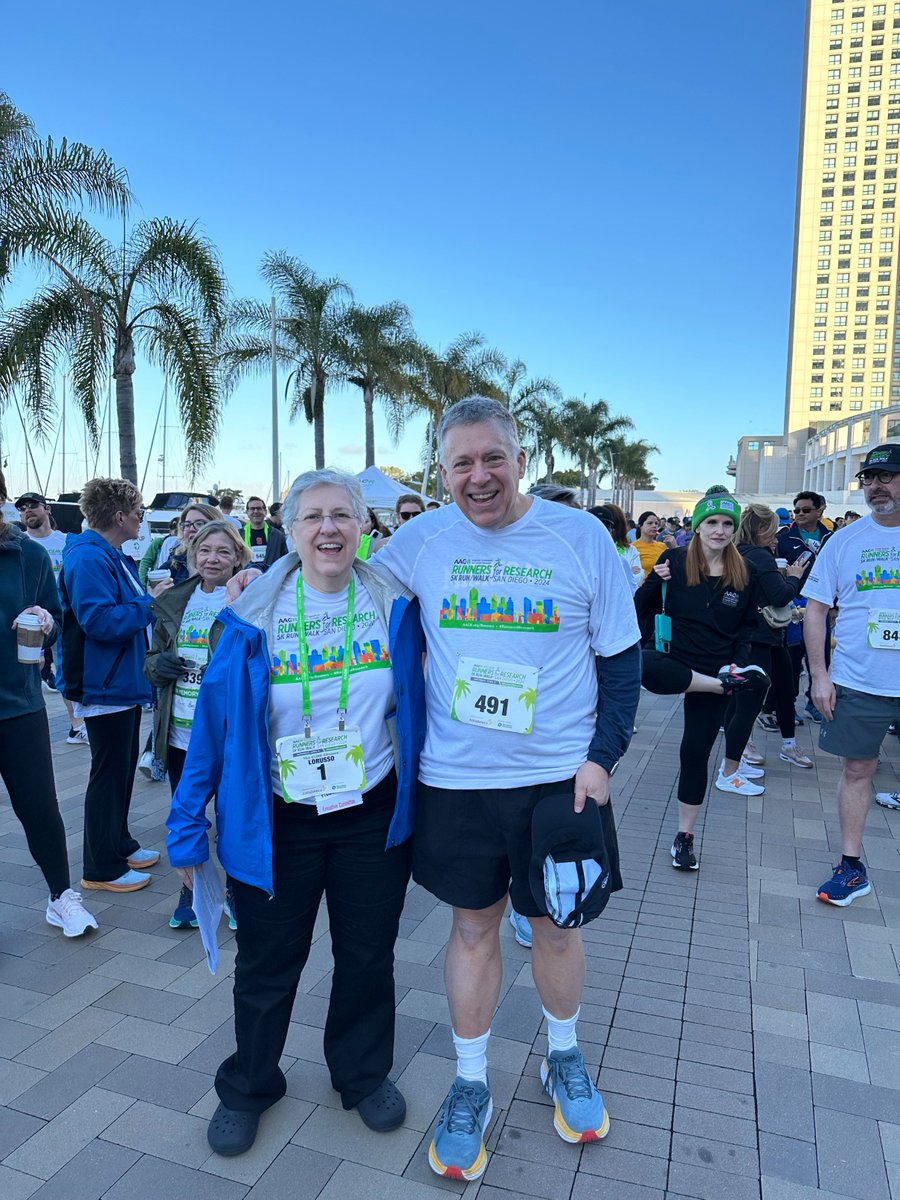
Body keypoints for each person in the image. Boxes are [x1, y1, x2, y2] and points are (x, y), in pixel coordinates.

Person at [370, 397, 642, 1178]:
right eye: (462, 463)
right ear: (442, 471)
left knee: (558, 928)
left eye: (493, 458)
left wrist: (603, 758)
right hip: (455, 783)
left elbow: (620, 664)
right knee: (471, 929)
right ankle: (469, 1081)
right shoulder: (419, 541)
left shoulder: (581, 537)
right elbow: (340, 581)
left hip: (559, 784)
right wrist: (269, 571)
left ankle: (563, 1056)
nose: (479, 476)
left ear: (520, 459)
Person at [167, 468, 426, 1155]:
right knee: (267, 963)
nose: (329, 529)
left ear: (364, 527)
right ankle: (250, 1084)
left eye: (342, 515)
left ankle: (362, 1074)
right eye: (312, 517)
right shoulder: (250, 617)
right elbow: (212, 730)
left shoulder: (396, 605)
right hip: (276, 819)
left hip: (371, 812)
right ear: (288, 531)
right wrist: (187, 825)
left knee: (367, 956)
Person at [635, 488, 769, 871]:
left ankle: (684, 837)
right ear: (697, 527)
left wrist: (736, 664)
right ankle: (720, 687)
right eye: (711, 522)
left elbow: (747, 629)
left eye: (727, 524)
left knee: (694, 753)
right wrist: (651, 582)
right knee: (642, 665)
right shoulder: (673, 560)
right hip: (674, 660)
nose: (719, 530)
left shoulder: (746, 571)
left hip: (719, 667)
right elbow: (637, 611)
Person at [60, 478, 171, 892]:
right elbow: (99, 621)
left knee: (121, 769)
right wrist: (151, 602)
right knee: (107, 774)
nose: (142, 516)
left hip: (119, 682)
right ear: (120, 516)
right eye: (139, 509)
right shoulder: (89, 558)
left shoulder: (110, 554)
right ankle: (100, 867)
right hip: (102, 684)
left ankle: (119, 843)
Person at [0, 471, 98, 937]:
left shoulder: (30, 555)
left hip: (18, 703)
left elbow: (53, 619)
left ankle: (61, 897)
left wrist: (45, 621)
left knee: (39, 806)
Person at [803, 444, 900, 905]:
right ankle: (852, 865)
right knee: (858, 769)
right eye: (869, 478)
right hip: (861, 680)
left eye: (887, 476)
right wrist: (819, 676)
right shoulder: (843, 541)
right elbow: (816, 610)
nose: (876, 486)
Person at [145, 520, 251, 928]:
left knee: (229, 819)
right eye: (205, 551)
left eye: (223, 552)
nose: (213, 559)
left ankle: (234, 893)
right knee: (187, 816)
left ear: (238, 557)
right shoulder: (174, 601)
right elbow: (150, 662)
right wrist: (160, 665)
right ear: (192, 555)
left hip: (225, 733)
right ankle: (191, 893)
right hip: (178, 733)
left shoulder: (247, 602)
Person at [732, 504, 813, 770]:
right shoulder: (760, 555)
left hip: (751, 633)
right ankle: (741, 753)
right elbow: (780, 595)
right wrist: (793, 577)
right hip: (764, 634)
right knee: (766, 692)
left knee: (771, 689)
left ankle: (768, 746)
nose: (777, 534)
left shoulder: (736, 552)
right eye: (773, 528)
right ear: (762, 529)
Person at [16, 491, 88, 745]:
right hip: (30, 619)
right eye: (22, 508)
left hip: (65, 616)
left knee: (66, 669)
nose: (27, 511)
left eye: (33, 505)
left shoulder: (68, 540)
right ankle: (27, 729)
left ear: (47, 508)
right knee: (28, 670)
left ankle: (77, 725)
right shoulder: (19, 545)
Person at [161, 503, 220, 584]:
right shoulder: (172, 567)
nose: (191, 529)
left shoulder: (230, 564)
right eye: (187, 524)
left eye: (199, 523)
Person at [590, 504, 642, 594]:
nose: (603, 529)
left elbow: (637, 579)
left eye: (608, 525)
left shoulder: (630, 551)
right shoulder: (583, 551)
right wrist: (627, 572)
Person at [243, 497, 287, 569]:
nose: (256, 511)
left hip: (271, 578)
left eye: (259, 508)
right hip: (246, 578)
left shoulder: (278, 536)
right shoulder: (238, 535)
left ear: (265, 512)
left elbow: (285, 561)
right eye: (252, 508)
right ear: (247, 512)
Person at [138, 516, 180, 585]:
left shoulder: (184, 544)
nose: (175, 533)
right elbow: (146, 562)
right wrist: (142, 583)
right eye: (174, 529)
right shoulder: (159, 542)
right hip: (156, 580)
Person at [634, 512, 669, 579]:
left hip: (661, 587)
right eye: (650, 523)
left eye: (656, 523)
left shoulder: (663, 546)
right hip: (642, 587)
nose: (654, 526)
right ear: (640, 526)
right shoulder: (632, 548)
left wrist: (674, 545)